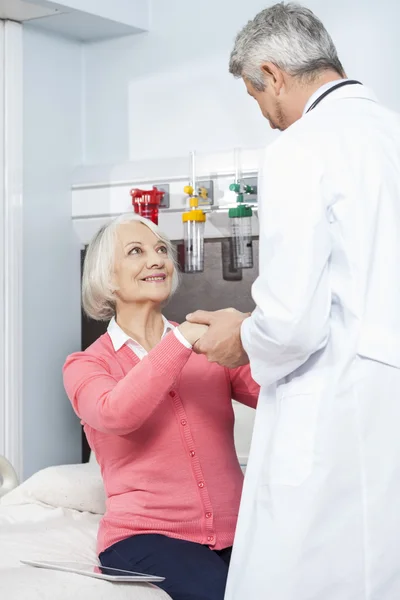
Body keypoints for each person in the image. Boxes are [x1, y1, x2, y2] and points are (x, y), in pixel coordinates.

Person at [187, 3, 400, 599]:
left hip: (334, 410)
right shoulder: (391, 132)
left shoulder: (303, 146)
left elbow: (290, 325)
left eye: (256, 95)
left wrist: (238, 334)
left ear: (274, 74)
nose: (264, 114)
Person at [63, 213, 259, 600]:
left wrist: (262, 334)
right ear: (108, 279)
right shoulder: (87, 364)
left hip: (239, 530)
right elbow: (115, 413)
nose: (157, 260)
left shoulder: (208, 348)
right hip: (144, 537)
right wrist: (181, 339)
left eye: (161, 250)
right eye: (136, 252)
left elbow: (272, 393)